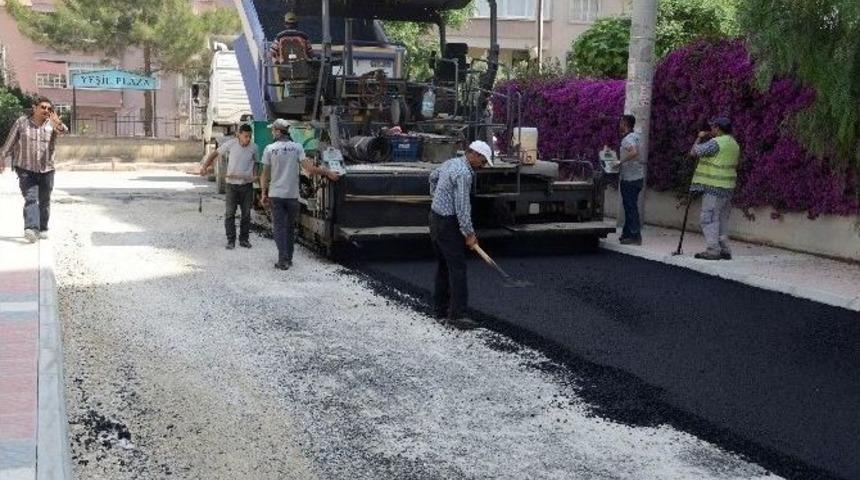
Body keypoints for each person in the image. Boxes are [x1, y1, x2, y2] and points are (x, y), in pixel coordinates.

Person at [428, 140, 493, 330]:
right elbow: (463, 208)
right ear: (473, 154)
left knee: (443, 266)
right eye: (482, 161)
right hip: (448, 223)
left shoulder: (451, 163)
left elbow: (432, 176)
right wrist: (469, 234)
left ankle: (439, 310)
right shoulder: (464, 174)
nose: (482, 166)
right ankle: (457, 315)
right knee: (458, 268)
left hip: (434, 218)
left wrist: (436, 196)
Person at [260, 119, 340, 270]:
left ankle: (282, 259)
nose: (272, 133)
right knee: (290, 227)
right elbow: (309, 168)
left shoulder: (269, 149)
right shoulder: (297, 148)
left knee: (279, 228)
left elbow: (264, 174)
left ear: (278, 131)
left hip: (276, 195)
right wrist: (328, 172)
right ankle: (288, 258)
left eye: (273, 130)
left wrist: (263, 193)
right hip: (292, 196)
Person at [0, 96, 69, 243]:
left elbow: (64, 131)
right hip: (25, 169)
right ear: (34, 107)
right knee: (31, 198)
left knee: (45, 200)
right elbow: (10, 141)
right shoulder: (22, 122)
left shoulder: (52, 124)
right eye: (43, 107)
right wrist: (2, 157)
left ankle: (43, 227)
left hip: (47, 169)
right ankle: (31, 228)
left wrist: (59, 124)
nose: (46, 110)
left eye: (49, 109)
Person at [689, 117, 741, 260]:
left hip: (714, 187)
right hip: (728, 187)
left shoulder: (716, 143)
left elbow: (694, 152)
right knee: (722, 219)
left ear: (718, 128)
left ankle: (713, 250)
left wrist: (699, 138)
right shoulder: (734, 144)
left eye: (713, 127)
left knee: (709, 218)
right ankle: (725, 249)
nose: (711, 130)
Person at [200, 123, 258, 250]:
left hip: (246, 186)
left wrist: (254, 175)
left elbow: (255, 163)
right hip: (231, 186)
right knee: (230, 213)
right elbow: (215, 154)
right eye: (246, 136)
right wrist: (205, 166)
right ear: (239, 135)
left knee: (246, 214)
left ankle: (244, 240)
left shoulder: (254, 147)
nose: (248, 139)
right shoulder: (231, 144)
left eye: (250, 136)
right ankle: (231, 240)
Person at [618, 114, 644, 245]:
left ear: (625, 123)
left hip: (629, 179)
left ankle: (634, 235)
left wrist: (619, 162)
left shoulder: (627, 139)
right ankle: (627, 233)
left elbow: (633, 152)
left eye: (621, 122)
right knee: (629, 206)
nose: (619, 124)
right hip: (638, 177)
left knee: (630, 207)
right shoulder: (637, 136)